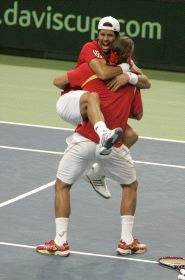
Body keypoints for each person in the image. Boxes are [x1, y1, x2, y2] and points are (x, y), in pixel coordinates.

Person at [36, 37, 150, 257]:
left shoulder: (91, 72)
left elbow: (61, 82)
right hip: (113, 147)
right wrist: (128, 85)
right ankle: (126, 242)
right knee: (130, 186)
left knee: (62, 186)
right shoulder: (133, 84)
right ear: (130, 56)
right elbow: (138, 114)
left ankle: (60, 243)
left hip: (84, 141)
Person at [54, 25, 150, 198]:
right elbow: (59, 81)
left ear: (116, 39)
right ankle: (102, 134)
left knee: (131, 135)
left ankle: (97, 172)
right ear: (97, 36)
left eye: (110, 35)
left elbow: (146, 81)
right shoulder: (92, 64)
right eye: (102, 34)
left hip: (95, 109)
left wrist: (129, 76)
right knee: (92, 99)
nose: (105, 38)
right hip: (73, 105)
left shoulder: (126, 71)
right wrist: (74, 90)